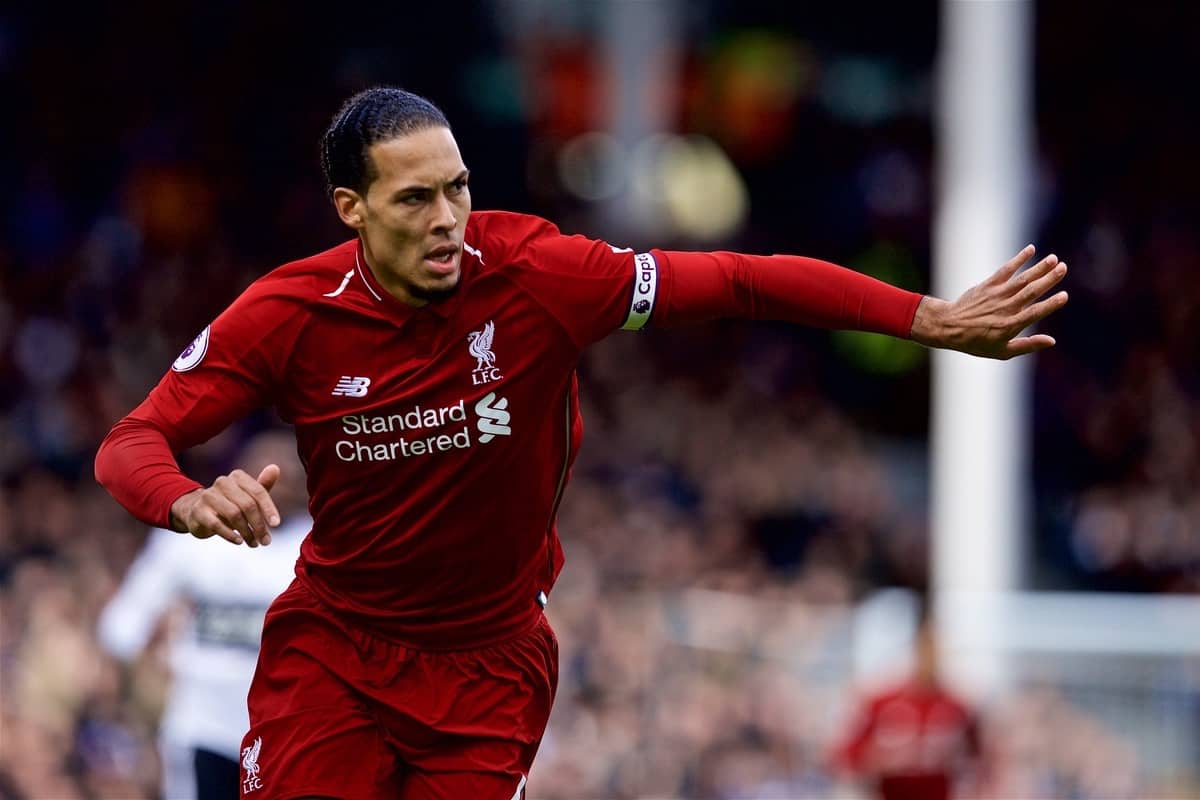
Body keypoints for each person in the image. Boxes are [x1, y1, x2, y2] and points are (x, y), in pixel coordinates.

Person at [93, 86, 1068, 800]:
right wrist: (182, 496)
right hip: (337, 647)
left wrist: (925, 317)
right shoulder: (291, 312)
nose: (447, 221)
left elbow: (739, 279)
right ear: (351, 211)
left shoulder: (541, 275)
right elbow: (132, 441)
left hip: (489, 663)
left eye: (458, 190)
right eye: (413, 200)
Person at [97, 430, 309, 800]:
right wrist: (151, 665)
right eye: (271, 470)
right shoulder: (194, 540)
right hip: (202, 725)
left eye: (293, 472)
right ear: (240, 474)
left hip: (290, 729)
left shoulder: (321, 548)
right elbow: (121, 626)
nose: (280, 480)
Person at [830, 615, 988, 800]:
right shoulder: (883, 702)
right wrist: (882, 759)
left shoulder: (957, 706)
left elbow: (979, 758)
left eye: (937, 651)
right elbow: (847, 753)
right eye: (926, 651)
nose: (931, 659)